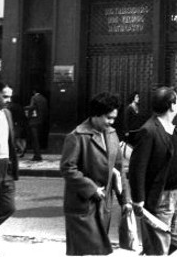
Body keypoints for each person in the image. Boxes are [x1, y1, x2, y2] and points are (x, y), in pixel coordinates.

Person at [60, 92, 129, 256]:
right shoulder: (77, 136)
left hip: (103, 206)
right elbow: (68, 168)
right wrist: (92, 189)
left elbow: (119, 169)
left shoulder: (112, 134)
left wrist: (125, 200)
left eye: (114, 118)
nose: (111, 122)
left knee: (98, 251)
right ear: (95, 115)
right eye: (108, 118)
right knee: (87, 251)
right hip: (83, 206)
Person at [129, 87, 177, 256]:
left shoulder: (170, 128)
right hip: (161, 197)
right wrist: (139, 199)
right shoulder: (149, 130)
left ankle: (151, 252)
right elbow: (137, 167)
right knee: (159, 247)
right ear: (172, 106)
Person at [0, 81, 18, 257]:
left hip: (6, 166)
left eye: (10, 97)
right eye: (5, 96)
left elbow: (9, 142)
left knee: (9, 207)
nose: (8, 100)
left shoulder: (7, 113)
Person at [24, 88, 48, 162]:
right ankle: (38, 154)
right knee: (38, 138)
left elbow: (32, 106)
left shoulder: (34, 97)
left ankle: (37, 155)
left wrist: (25, 108)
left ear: (34, 91)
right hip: (41, 121)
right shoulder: (44, 99)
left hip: (34, 121)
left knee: (35, 139)